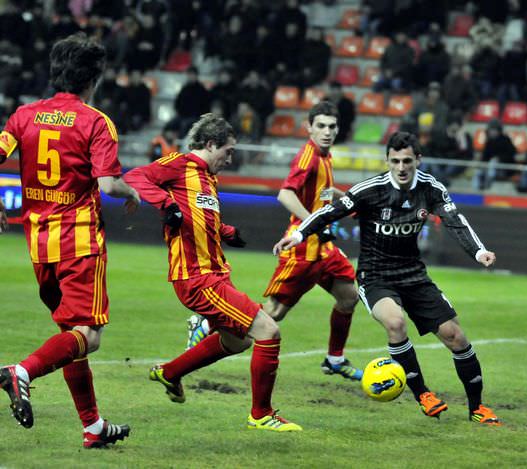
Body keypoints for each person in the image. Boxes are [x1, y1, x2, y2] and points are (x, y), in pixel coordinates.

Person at [274, 131, 502, 426]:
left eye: (407, 161)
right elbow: (330, 212)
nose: (401, 167)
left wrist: (479, 251)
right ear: (388, 161)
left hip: (414, 274)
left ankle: (477, 408)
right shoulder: (371, 189)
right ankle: (423, 394)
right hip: (375, 276)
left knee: (455, 336)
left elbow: (455, 221)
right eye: (395, 161)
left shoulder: (431, 188)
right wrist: (298, 235)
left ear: (418, 160)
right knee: (395, 323)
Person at [0, 33, 139, 448]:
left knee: (70, 336)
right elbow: (109, 185)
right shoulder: (95, 122)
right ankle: (20, 372)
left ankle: (92, 426)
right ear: (93, 77)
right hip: (78, 244)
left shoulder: (23, 116)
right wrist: (132, 192)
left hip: (39, 246)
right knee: (88, 336)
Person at [123, 114, 301, 432]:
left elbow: (201, 219)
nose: (230, 160)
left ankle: (170, 373)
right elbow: (136, 176)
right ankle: (261, 414)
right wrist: (166, 205)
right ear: (209, 144)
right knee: (268, 331)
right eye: (228, 152)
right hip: (197, 277)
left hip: (216, 275)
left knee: (237, 342)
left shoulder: (208, 178)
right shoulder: (179, 164)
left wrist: (227, 232)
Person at [188, 101, 362, 380]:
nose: (327, 131)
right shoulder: (307, 157)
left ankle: (335, 359)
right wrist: (313, 222)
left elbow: (325, 191)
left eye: (332, 126)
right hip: (302, 248)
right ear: (309, 128)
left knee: (349, 296)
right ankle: (207, 325)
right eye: (321, 126)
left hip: (324, 248)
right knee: (274, 312)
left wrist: (349, 203)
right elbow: (285, 194)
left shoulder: (325, 156)